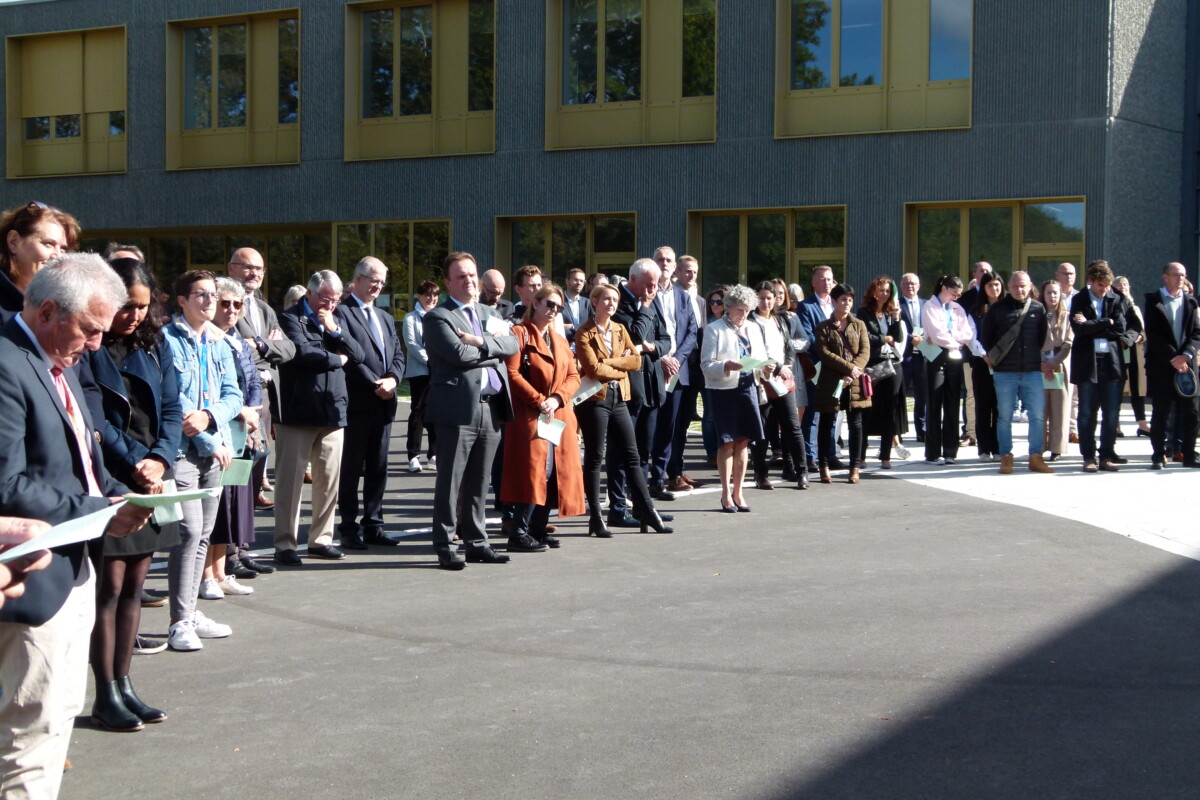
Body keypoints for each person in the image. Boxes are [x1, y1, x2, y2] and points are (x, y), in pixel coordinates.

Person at [0, 254, 154, 792]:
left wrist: (121, 495)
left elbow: (82, 464)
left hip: (74, 567)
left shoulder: (55, 363)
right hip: (30, 577)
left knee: (57, 716)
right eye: (89, 330)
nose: (94, 345)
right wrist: (101, 513)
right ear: (47, 312)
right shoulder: (7, 363)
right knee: (28, 735)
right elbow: (6, 486)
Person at [86, 258, 182, 728]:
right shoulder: (90, 342)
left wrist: (162, 458)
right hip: (110, 474)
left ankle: (124, 684)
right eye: (128, 306)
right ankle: (104, 693)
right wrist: (135, 464)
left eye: (144, 307)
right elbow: (94, 419)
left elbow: (171, 406)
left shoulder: (156, 342)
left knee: (135, 587)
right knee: (109, 587)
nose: (136, 316)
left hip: (151, 473)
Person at [161, 270, 243, 651]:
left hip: (217, 452)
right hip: (183, 453)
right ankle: (179, 621)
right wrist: (208, 438)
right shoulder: (166, 340)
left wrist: (211, 419)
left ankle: (191, 612)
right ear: (182, 300)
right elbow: (174, 402)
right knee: (188, 533)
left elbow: (233, 396)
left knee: (204, 536)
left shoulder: (222, 343)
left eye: (213, 294)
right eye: (201, 295)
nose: (210, 301)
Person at [425, 253, 519, 569]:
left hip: (490, 409)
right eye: (461, 276)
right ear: (448, 282)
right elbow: (459, 355)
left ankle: (477, 542)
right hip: (457, 410)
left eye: (472, 274)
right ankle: (444, 544)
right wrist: (492, 350)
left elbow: (513, 346)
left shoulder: (487, 313)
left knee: (480, 482)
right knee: (450, 482)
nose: (469, 280)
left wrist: (480, 342)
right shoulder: (438, 317)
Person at [274, 270, 364, 565]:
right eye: (325, 298)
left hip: (333, 409)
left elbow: (359, 354)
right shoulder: (289, 318)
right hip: (298, 410)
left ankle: (321, 539)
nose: (330, 304)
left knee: (328, 481)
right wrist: (337, 359)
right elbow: (301, 352)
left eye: (336, 299)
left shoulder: (336, 318)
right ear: (309, 293)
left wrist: (335, 331)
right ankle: (285, 543)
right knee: (291, 481)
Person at [575, 283, 670, 537]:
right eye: (605, 299)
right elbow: (593, 370)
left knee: (632, 455)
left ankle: (648, 511)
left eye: (614, 299)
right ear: (594, 302)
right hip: (594, 399)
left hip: (620, 397)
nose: (611, 304)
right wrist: (617, 366)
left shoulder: (619, 329)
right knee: (595, 457)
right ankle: (596, 516)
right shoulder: (584, 332)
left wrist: (609, 363)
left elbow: (636, 360)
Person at [499, 284, 586, 550]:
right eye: (549, 304)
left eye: (558, 307)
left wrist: (557, 398)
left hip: (556, 414)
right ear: (535, 303)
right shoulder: (519, 334)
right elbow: (511, 374)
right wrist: (540, 400)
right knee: (532, 471)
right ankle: (519, 532)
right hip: (529, 414)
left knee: (553, 473)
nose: (554, 310)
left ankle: (537, 529)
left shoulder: (559, 340)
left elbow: (573, 376)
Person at [334, 257, 406, 550]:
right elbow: (348, 355)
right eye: (373, 279)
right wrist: (376, 384)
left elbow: (398, 354)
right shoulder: (341, 313)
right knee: (351, 468)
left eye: (381, 282)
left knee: (378, 467)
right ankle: (349, 527)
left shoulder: (385, 317)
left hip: (383, 404)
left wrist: (393, 380)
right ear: (357, 279)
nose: (377, 286)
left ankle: (374, 524)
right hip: (358, 401)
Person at [203, 278, 261, 596]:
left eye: (237, 304)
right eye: (225, 303)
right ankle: (206, 575)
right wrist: (239, 410)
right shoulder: (208, 340)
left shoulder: (238, 339)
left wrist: (252, 409)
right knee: (217, 503)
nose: (231, 310)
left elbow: (251, 378)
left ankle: (222, 571)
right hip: (220, 427)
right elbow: (214, 390)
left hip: (242, 430)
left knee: (233, 504)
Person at [228, 248, 294, 519]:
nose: (254, 273)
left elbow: (289, 349)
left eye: (259, 268)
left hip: (265, 397)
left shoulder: (264, 309)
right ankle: (231, 546)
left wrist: (258, 343)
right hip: (238, 399)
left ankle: (243, 542)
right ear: (231, 268)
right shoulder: (225, 304)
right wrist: (269, 345)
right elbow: (234, 350)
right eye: (247, 267)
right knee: (234, 472)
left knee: (257, 462)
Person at [608, 259, 671, 526]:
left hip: (652, 386)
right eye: (648, 283)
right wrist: (644, 308)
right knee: (622, 451)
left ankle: (642, 506)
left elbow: (665, 339)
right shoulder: (618, 302)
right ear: (633, 280)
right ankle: (618, 507)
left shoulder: (651, 299)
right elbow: (633, 334)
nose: (653, 288)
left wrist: (651, 347)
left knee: (643, 450)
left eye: (655, 284)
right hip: (627, 388)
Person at [701, 284, 769, 511]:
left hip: (748, 387)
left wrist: (765, 369)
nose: (744, 314)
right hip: (724, 390)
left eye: (747, 310)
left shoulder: (753, 327)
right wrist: (726, 365)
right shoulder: (714, 329)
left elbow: (760, 358)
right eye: (740, 310)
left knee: (743, 441)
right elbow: (706, 365)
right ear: (728, 308)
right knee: (727, 441)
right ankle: (725, 493)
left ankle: (739, 493)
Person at [979, 271, 1053, 474]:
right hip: (1005, 373)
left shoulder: (1038, 308)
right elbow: (986, 338)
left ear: (1030, 286)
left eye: (1023, 286)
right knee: (1004, 417)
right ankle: (1006, 456)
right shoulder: (997, 309)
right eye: (1015, 286)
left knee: (1038, 416)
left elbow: (1041, 338)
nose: (1019, 290)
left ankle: (1035, 457)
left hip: (1031, 372)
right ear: (1008, 287)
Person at [1067, 261, 1130, 473]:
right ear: (1091, 281)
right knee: (1086, 413)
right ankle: (1088, 456)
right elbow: (1079, 329)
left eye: (1107, 285)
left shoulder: (1115, 298)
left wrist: (1094, 324)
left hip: (1111, 361)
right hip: (1088, 362)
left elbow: (1120, 329)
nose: (1105, 289)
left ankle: (1106, 455)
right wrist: (1106, 322)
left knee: (1111, 413)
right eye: (1101, 285)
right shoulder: (1079, 299)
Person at [647, 247, 698, 499]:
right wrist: (663, 358)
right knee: (648, 426)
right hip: (652, 369)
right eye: (660, 259)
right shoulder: (646, 293)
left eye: (668, 260)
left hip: (678, 371)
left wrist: (676, 360)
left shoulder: (683, 296)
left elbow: (691, 332)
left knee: (669, 427)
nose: (664, 263)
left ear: (674, 265)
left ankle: (658, 479)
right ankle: (639, 481)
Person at [750, 281, 810, 489]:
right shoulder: (750, 321)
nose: (766, 302)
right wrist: (774, 367)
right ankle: (761, 474)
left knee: (792, 426)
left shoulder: (782, 319)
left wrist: (787, 365)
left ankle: (802, 472)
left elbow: (790, 345)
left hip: (782, 379)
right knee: (762, 429)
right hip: (760, 379)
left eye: (770, 297)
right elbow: (754, 352)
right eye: (762, 297)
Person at [1143, 262, 1200, 469]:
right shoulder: (1153, 301)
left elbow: (1196, 333)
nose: (1180, 278)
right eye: (1176, 275)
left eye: (1183, 275)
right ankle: (1159, 455)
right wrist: (1173, 358)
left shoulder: (1191, 302)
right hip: (1162, 366)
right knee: (1161, 413)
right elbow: (1153, 334)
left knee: (1191, 413)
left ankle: (1189, 455)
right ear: (1165, 276)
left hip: (1186, 367)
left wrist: (1185, 356)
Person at [813, 283, 871, 484]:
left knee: (856, 424)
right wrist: (848, 368)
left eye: (849, 300)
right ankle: (824, 465)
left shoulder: (859, 325)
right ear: (834, 302)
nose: (846, 304)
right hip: (831, 382)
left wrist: (853, 372)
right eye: (843, 300)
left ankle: (854, 467)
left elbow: (865, 352)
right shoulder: (823, 327)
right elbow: (824, 354)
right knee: (827, 423)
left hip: (854, 383)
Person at [921, 275, 975, 465]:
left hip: (955, 356)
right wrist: (954, 340)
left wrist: (953, 338)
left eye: (959, 295)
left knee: (952, 403)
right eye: (954, 293)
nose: (956, 298)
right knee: (934, 404)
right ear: (943, 288)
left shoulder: (957, 307)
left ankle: (950, 451)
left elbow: (967, 333)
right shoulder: (930, 306)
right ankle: (933, 452)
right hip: (936, 355)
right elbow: (936, 336)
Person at [666, 255, 708, 491]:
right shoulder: (671, 295)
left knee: (683, 422)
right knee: (671, 422)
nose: (691, 275)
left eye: (695, 271)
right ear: (678, 272)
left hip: (694, 368)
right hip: (676, 364)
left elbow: (699, 333)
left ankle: (679, 469)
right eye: (687, 271)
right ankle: (669, 472)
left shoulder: (699, 300)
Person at [0, 201, 79, 321]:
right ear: (13, 242)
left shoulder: (64, 305)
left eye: (63, 248)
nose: (57, 256)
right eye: (48, 244)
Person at [795, 266, 839, 472]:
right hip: (817, 366)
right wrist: (830, 351)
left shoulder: (838, 304)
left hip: (836, 367)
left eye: (829, 279)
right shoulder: (805, 306)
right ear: (813, 283)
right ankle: (810, 456)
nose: (827, 283)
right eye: (822, 279)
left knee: (832, 412)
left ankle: (830, 454)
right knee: (813, 413)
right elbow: (808, 336)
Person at [858, 277, 906, 469]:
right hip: (872, 364)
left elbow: (899, 338)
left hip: (892, 364)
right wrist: (884, 338)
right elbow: (865, 337)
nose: (884, 294)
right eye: (881, 290)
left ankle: (885, 455)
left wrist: (896, 318)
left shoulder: (890, 313)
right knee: (866, 410)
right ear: (873, 291)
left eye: (887, 291)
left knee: (890, 411)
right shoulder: (864, 312)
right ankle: (861, 455)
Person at [967, 272, 1005, 462]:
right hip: (982, 364)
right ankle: (984, 449)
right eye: (990, 285)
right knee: (983, 406)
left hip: (1004, 364)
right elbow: (971, 338)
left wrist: (999, 355)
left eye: (997, 285)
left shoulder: (1007, 308)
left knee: (1000, 408)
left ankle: (998, 447)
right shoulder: (976, 311)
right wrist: (985, 355)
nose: (994, 289)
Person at [403, 279, 440, 473]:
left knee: (435, 412)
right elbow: (412, 344)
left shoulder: (440, 316)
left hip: (437, 371)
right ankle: (413, 455)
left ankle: (433, 454)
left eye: (434, 295)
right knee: (417, 412)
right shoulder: (411, 318)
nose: (431, 298)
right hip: (419, 372)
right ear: (419, 296)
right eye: (427, 294)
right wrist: (429, 360)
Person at [1039, 279, 1074, 462]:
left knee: (1059, 408)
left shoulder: (1067, 316)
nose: (1052, 296)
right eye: (1048, 293)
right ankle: (1039, 446)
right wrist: (1043, 363)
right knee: (1041, 408)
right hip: (1040, 367)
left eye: (1055, 293)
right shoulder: (1036, 314)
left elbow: (1068, 344)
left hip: (1059, 365)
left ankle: (1057, 448)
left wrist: (1052, 363)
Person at [1113, 275, 1151, 438]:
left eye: (1126, 285)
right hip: (1118, 352)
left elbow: (1143, 331)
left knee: (1138, 389)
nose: (1124, 288)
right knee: (1117, 389)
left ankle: (1142, 424)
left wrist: (1139, 337)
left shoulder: (1134, 308)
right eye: (1120, 285)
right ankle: (1115, 424)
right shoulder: (1113, 306)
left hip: (1135, 352)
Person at [700, 286, 728, 465]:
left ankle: (724, 448)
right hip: (707, 371)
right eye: (712, 302)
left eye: (719, 302)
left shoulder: (730, 322)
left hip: (727, 373)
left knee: (725, 414)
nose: (715, 305)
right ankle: (711, 452)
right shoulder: (706, 322)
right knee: (709, 414)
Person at [897, 273, 927, 443]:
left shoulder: (926, 304)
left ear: (919, 285)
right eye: (907, 283)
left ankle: (922, 430)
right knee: (900, 395)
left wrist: (923, 340)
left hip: (923, 355)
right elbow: (895, 328)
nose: (910, 286)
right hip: (905, 355)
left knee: (922, 396)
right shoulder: (896, 305)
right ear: (901, 286)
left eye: (914, 283)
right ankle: (898, 431)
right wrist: (911, 339)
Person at [560, 267, 591, 342]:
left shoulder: (588, 303)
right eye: (576, 280)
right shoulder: (559, 301)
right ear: (567, 281)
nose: (579, 283)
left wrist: (572, 326)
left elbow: (592, 325)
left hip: (583, 346)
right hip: (563, 346)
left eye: (581, 281)